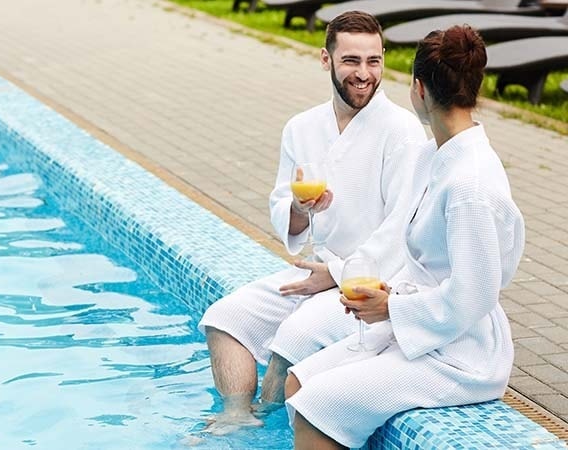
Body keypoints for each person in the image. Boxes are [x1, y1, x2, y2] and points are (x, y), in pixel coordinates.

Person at [283, 25, 525, 449]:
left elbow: (474, 296)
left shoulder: (469, 184)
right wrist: (386, 294)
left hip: (462, 354)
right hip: (424, 326)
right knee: (298, 382)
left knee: (315, 405)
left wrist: (392, 307)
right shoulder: (434, 155)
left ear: (419, 89)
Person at [198, 11, 427, 433]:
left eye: (373, 61)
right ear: (326, 60)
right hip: (316, 269)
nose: (364, 74)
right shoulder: (301, 127)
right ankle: (236, 419)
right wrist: (301, 210)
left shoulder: (402, 131)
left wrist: (338, 275)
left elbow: (402, 229)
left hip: (370, 281)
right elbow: (284, 211)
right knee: (225, 318)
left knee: (294, 336)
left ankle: (264, 427)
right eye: (351, 61)